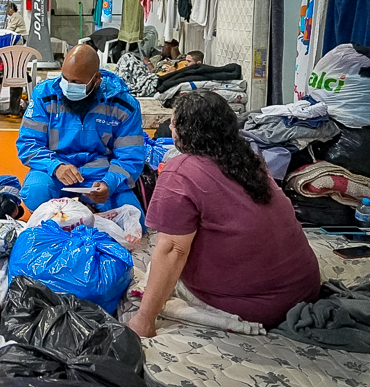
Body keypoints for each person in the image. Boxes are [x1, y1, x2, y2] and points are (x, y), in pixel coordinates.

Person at [128, 91, 321, 338]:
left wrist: (145, 319)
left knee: (145, 262)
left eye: (174, 122)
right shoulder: (249, 159)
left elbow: (173, 250)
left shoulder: (180, 172)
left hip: (256, 306)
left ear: (189, 131)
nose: (170, 127)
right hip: (304, 289)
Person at [16, 44, 145, 214]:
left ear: (97, 79)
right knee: (36, 191)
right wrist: (55, 166)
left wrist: (109, 183)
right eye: (65, 79)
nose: (68, 87)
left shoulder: (124, 105)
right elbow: (28, 143)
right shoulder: (44, 94)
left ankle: (88, 206)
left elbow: (130, 156)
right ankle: (72, 210)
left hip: (100, 174)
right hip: (55, 171)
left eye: (76, 82)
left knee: (132, 217)